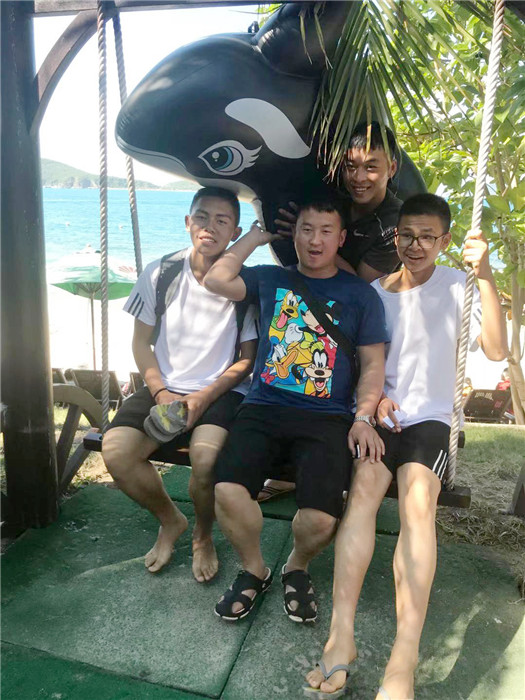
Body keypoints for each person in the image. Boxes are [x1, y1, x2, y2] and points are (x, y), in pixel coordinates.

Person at [305, 194, 507, 700]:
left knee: (418, 501)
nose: (415, 246)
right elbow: (361, 365)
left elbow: (497, 349)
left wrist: (484, 272)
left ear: (444, 240)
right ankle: (341, 635)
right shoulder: (376, 293)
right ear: (395, 236)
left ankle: (405, 656)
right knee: (362, 497)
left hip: (433, 421)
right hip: (383, 419)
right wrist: (374, 403)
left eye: (427, 237)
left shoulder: (459, 285)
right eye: (407, 235)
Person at [204, 199, 388, 623]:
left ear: (341, 238)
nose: (315, 240)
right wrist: (256, 237)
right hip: (263, 407)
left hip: (327, 417)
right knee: (227, 491)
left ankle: (296, 565)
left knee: (321, 519)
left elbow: (373, 365)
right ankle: (254, 568)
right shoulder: (271, 278)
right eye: (306, 229)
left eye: (326, 231)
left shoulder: (361, 296)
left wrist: (363, 416)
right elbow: (216, 278)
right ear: (294, 235)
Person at [102, 187, 257, 582]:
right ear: (188, 222)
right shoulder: (162, 272)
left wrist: (203, 398)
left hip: (221, 392)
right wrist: (161, 392)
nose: (210, 227)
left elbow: (246, 360)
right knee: (117, 453)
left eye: (222, 221)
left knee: (205, 461)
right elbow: (141, 343)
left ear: (236, 232)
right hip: (165, 385)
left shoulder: (244, 285)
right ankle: (170, 519)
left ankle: (203, 534)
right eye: (202, 217)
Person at [262, 121, 402, 502]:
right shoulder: (336, 195)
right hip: (319, 308)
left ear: (391, 168)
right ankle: (292, 467)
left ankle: (330, 473)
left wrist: (314, 238)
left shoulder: (392, 224)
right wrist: (303, 231)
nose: (358, 177)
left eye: (371, 167)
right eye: (351, 166)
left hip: (362, 318)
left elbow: (361, 285)